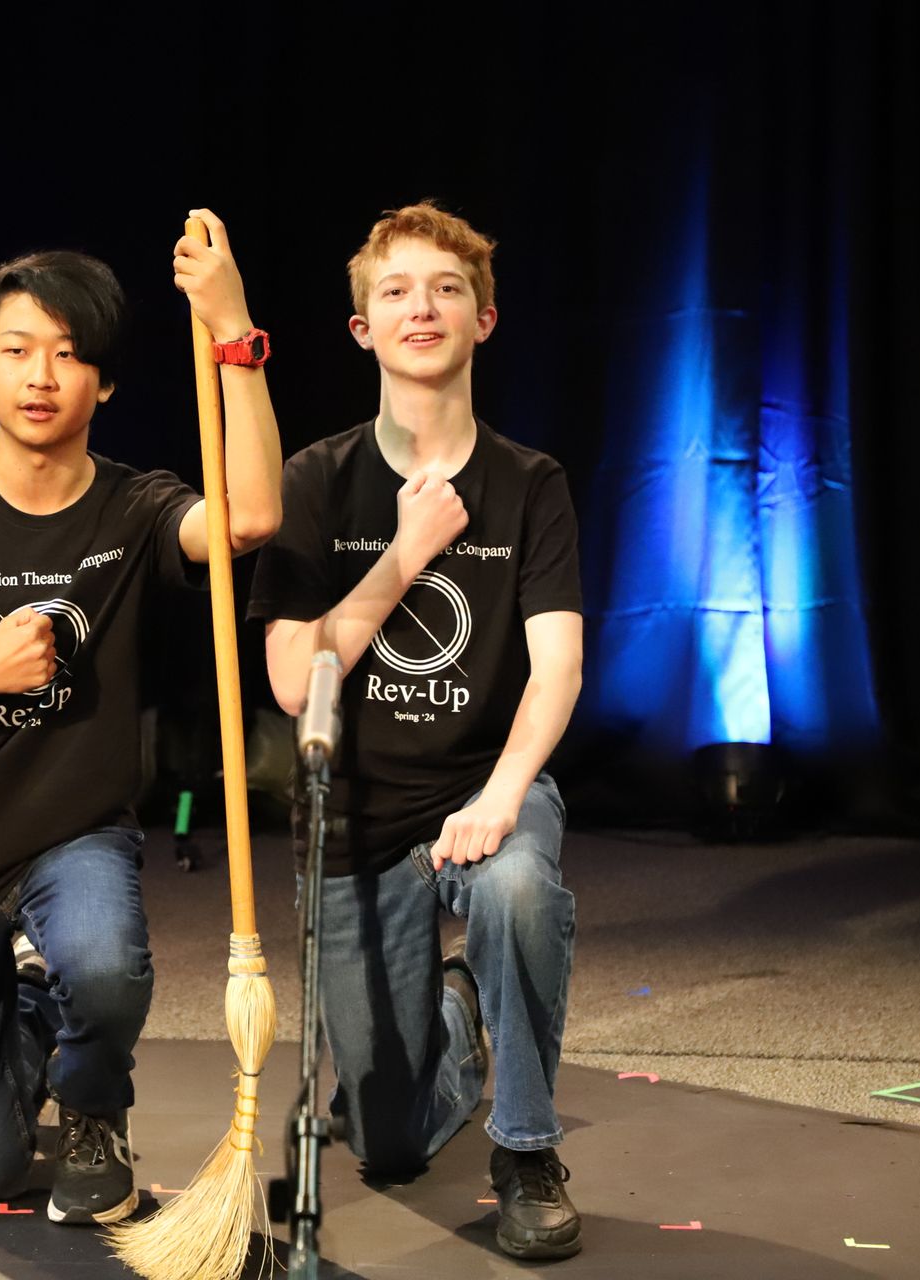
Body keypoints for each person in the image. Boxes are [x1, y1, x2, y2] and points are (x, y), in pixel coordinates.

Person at [0, 211, 281, 1226]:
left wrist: (233, 330)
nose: (43, 375)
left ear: (105, 384)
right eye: (18, 352)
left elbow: (251, 515)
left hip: (73, 828)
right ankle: (32, 998)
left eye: (70, 355)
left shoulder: (133, 507)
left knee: (104, 962)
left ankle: (92, 1107)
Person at [247, 202, 586, 1260]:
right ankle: (456, 1013)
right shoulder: (315, 478)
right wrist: (404, 554)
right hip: (353, 816)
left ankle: (528, 1145)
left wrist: (499, 795)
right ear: (363, 330)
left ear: (484, 318)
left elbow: (558, 666)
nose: (421, 306)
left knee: (516, 882)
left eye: (446, 288)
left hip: (485, 788)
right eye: (394, 290)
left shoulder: (531, 483)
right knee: (385, 1141)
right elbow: (296, 675)